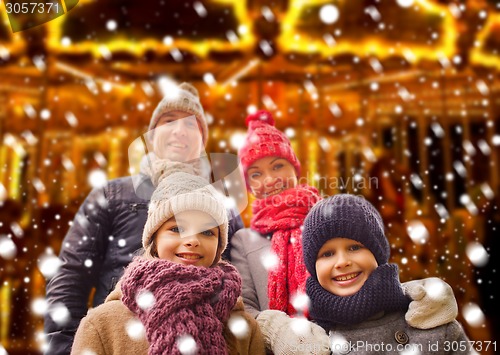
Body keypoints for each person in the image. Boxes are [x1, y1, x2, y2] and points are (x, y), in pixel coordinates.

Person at [230, 109, 459, 354]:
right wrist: (281, 332)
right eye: (256, 174)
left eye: (278, 166)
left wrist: (419, 295)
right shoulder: (244, 240)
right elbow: (248, 308)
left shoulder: (329, 217)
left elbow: (372, 276)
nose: (270, 179)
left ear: (294, 168)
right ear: (248, 184)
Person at [44, 82, 244, 354]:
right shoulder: (113, 195)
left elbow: (240, 282)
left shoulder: (224, 207)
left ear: (202, 141)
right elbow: (72, 273)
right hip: (122, 340)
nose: (178, 130)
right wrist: (66, 347)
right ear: (151, 136)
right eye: (168, 121)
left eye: (190, 124)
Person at [71, 169, 265, 354]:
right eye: (177, 229)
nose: (192, 240)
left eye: (207, 232)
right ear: (154, 240)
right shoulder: (102, 325)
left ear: (219, 246)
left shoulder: (244, 328)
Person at [299, 194, 476, 355]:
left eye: (354, 247)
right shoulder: (310, 343)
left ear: (377, 254)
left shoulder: (430, 321)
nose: (342, 261)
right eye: (327, 254)